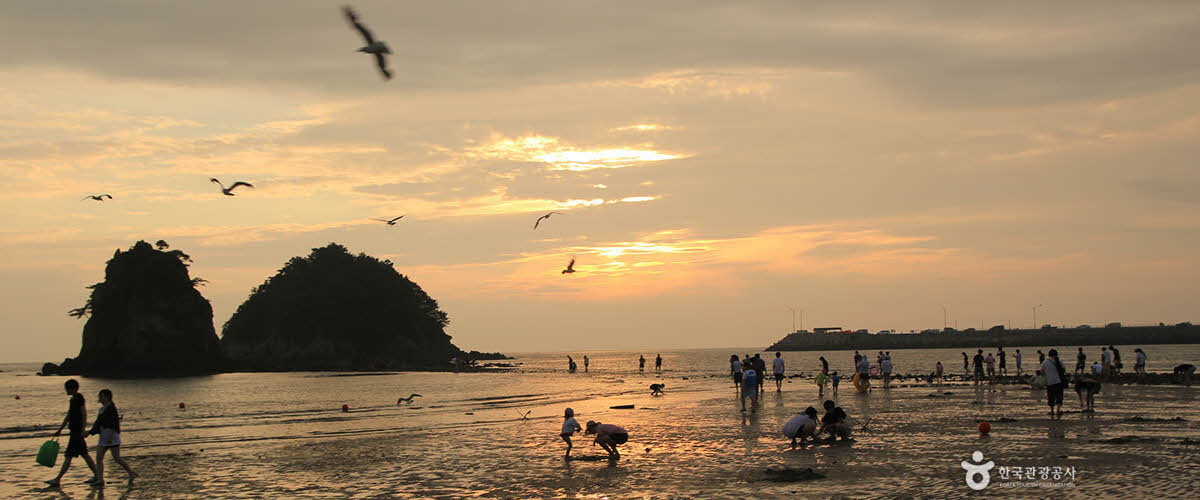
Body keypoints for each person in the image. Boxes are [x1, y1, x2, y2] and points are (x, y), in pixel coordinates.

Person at [46, 379, 98, 487]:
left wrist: (83, 429)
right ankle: (97, 475)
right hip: (74, 431)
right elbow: (69, 415)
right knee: (83, 455)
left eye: (67, 388)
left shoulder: (79, 398)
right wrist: (60, 429)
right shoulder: (72, 400)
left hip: (77, 432)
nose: (66, 390)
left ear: (73, 388)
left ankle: (57, 479)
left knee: (70, 455)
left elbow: (84, 413)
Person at [89, 389, 136, 483]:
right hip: (103, 437)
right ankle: (100, 479)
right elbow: (98, 423)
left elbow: (113, 424)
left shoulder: (111, 408)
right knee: (99, 457)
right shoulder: (101, 409)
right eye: (100, 397)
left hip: (111, 437)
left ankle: (131, 473)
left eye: (102, 397)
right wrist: (90, 432)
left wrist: (110, 438)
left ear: (107, 397)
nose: (100, 399)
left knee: (117, 458)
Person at [1041, 349, 1067, 416]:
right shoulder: (1059, 361)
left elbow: (1042, 372)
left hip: (1049, 382)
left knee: (1051, 396)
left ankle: (1052, 410)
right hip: (1058, 381)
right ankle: (1058, 410)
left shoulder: (1045, 362)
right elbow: (1064, 369)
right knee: (1059, 396)